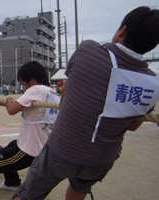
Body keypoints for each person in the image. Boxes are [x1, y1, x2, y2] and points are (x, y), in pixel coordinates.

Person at [12, 6, 159, 200]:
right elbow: (132, 126)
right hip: (101, 158)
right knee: (80, 188)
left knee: (27, 194)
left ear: (122, 31)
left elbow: (66, 97)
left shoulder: (88, 51)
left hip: (61, 150)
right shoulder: (152, 82)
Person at [0, 61, 60, 198]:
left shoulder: (36, 89)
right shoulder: (52, 93)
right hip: (39, 146)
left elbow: (11, 110)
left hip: (29, 150)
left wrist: (8, 102)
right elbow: (24, 108)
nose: (24, 87)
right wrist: (4, 103)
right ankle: (12, 183)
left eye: (24, 84)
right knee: (10, 147)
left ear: (33, 81)